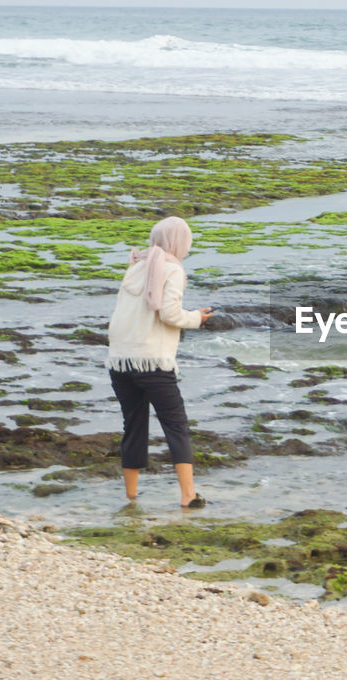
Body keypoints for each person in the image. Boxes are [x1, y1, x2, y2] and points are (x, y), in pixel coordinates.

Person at [106, 216, 214, 508]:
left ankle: (130, 496)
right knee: (175, 424)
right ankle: (188, 495)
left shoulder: (137, 266)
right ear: (179, 242)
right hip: (152, 360)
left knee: (134, 424)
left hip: (119, 360)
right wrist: (196, 319)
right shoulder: (171, 269)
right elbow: (168, 314)